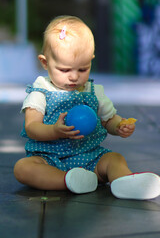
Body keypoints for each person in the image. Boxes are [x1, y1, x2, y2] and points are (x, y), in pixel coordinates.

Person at [14, 15, 160, 200]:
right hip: (49, 160)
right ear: (45, 63)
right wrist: (54, 131)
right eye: (65, 70)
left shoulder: (94, 91)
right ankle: (67, 181)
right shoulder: (40, 91)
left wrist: (118, 126)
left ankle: (124, 182)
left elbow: (108, 119)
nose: (74, 77)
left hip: (89, 157)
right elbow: (32, 127)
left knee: (114, 159)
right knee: (23, 168)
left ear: (91, 61)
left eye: (82, 69)